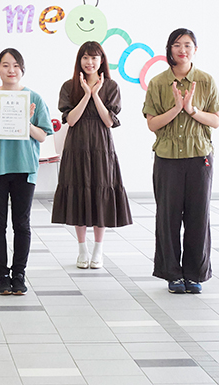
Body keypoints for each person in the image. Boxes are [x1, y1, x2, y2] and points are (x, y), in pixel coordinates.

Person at [142, 28, 219, 294]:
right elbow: (152, 124)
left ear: (195, 50)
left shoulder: (206, 81)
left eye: (188, 45)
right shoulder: (157, 83)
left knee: (199, 217)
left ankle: (194, 274)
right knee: (168, 218)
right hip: (167, 159)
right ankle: (172, 274)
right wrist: (176, 109)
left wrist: (192, 110)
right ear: (169, 49)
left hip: (199, 158)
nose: (182, 50)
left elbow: (216, 121)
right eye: (177, 45)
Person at [0, 48, 54, 296]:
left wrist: (26, 123)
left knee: (22, 224)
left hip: (25, 168)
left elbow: (42, 135)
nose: (11, 70)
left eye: (16, 65)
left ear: (22, 69)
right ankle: (2, 275)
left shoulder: (34, 99)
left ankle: (19, 273)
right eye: (6, 65)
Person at [52, 41, 132, 269]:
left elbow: (109, 121)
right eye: (85, 58)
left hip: (101, 146)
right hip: (76, 146)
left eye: (94, 58)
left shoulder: (112, 86)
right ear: (79, 61)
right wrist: (86, 95)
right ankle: (82, 249)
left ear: (102, 61)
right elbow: (72, 120)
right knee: (78, 192)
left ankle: (98, 249)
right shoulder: (69, 86)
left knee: (100, 193)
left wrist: (95, 94)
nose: (89, 62)